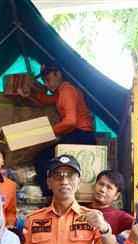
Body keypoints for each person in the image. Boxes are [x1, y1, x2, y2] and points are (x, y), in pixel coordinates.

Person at [22, 155, 118, 244]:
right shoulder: (33, 219)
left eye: (70, 176)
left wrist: (105, 229)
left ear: (78, 182)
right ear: (49, 183)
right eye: (58, 176)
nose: (64, 181)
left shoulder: (92, 217)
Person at [17, 65, 96, 196]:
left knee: (42, 159)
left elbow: (70, 121)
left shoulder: (67, 90)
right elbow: (46, 100)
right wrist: (29, 94)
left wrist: (46, 133)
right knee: (44, 157)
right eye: (44, 81)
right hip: (77, 134)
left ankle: (49, 195)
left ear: (58, 74)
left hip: (81, 135)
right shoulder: (61, 91)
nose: (46, 85)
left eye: (48, 80)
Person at [90, 170, 134, 244]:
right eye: (101, 184)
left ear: (116, 196)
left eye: (109, 188)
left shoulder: (121, 217)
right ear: (94, 186)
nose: (102, 189)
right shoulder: (79, 210)